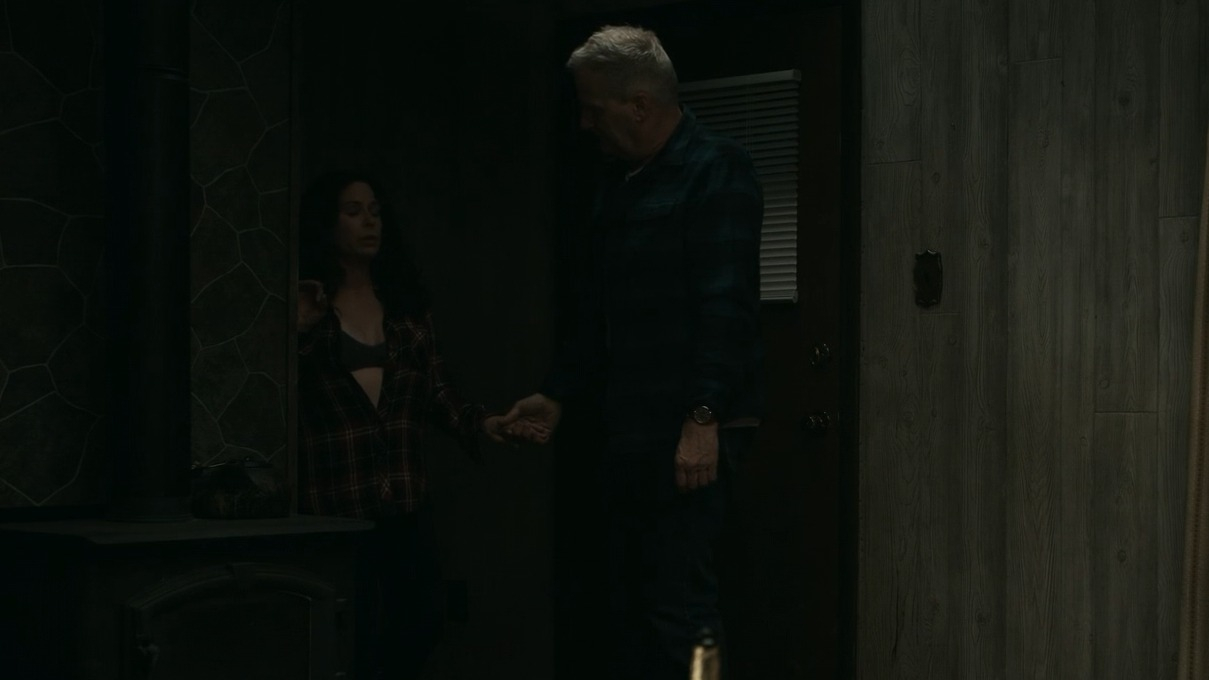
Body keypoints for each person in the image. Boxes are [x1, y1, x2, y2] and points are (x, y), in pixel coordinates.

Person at [504, 24, 765, 680]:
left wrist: (702, 416)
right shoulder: (620, 182)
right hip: (630, 426)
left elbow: (726, 302)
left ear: (639, 106)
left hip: (688, 428)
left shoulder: (715, 168)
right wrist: (558, 392)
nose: (585, 124)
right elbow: (601, 309)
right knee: (630, 604)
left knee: (682, 605)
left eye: (593, 109)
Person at [295, 171, 514, 680]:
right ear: (327, 223)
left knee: (421, 620)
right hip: (336, 503)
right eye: (353, 212)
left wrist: (485, 422)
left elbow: (437, 391)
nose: (369, 222)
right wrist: (298, 327)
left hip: (403, 497)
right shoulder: (307, 304)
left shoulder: (405, 306)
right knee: (348, 636)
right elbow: (276, 387)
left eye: (375, 212)